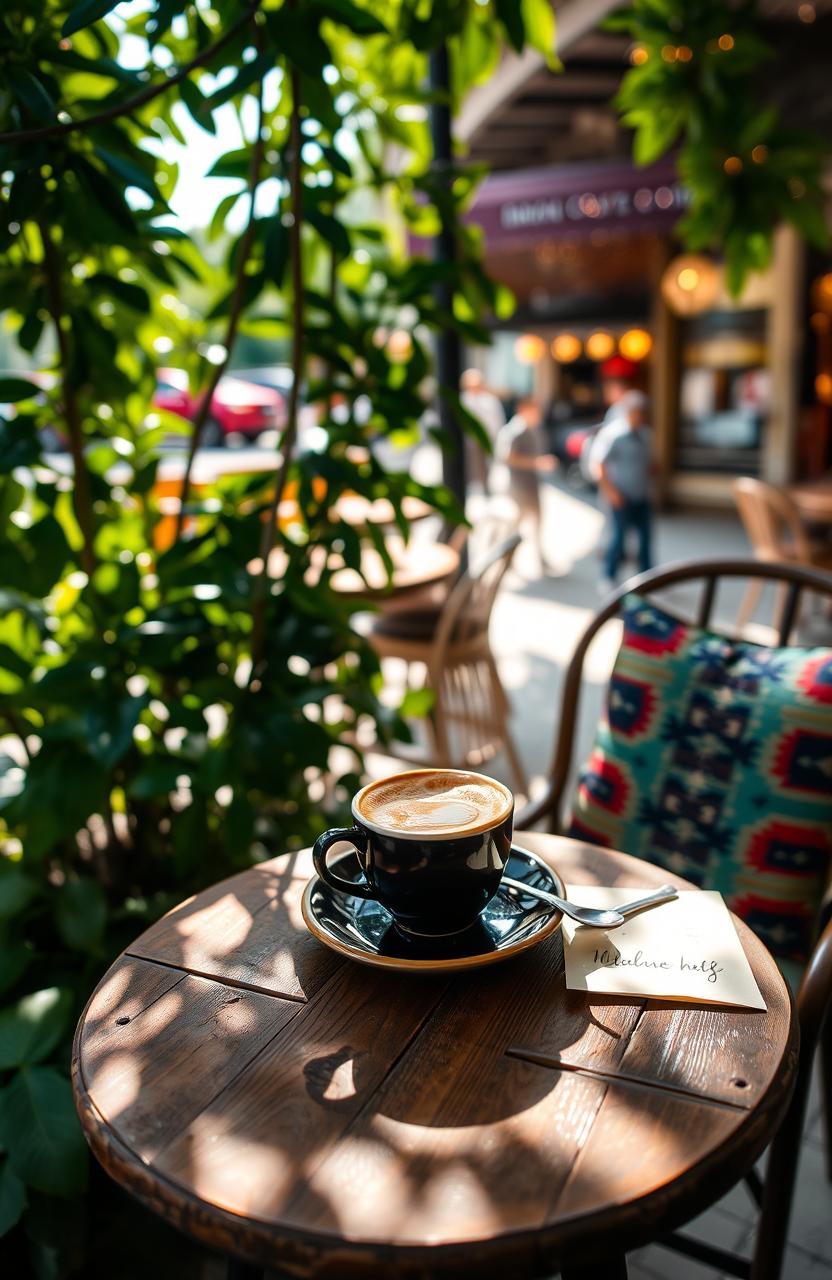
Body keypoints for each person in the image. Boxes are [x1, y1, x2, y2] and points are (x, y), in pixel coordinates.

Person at [594, 390, 655, 593]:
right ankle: (608, 576)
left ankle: (648, 579)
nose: (639, 416)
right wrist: (611, 492)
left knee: (645, 540)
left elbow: (648, 463)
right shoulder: (614, 435)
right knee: (618, 539)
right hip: (621, 496)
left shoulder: (646, 435)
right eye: (635, 412)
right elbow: (599, 465)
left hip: (641, 495)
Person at [497, 395, 556, 575]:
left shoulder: (534, 428)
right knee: (517, 525)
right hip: (518, 485)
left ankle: (537, 559)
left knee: (535, 522)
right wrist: (536, 463)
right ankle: (506, 559)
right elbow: (507, 456)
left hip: (530, 484)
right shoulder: (516, 430)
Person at [460, 368, 506, 493]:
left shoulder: (490, 401)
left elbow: (497, 421)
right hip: (468, 442)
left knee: (487, 466)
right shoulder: (462, 400)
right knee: (469, 467)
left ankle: (486, 489)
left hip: (487, 439)